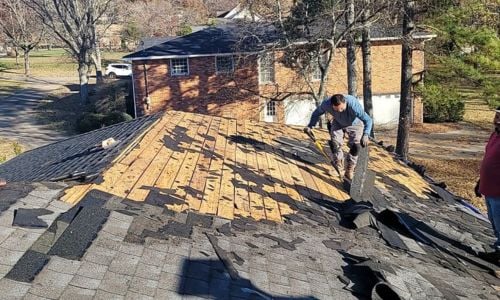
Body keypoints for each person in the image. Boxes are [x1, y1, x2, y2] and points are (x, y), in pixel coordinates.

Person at [304, 94, 373, 180]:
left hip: (355, 124)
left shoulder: (353, 105)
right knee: (335, 144)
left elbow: (368, 120)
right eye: (336, 109)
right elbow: (316, 113)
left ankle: (349, 170)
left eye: (342, 108)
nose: (340, 111)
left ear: (345, 103)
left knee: (356, 146)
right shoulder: (326, 104)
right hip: (338, 122)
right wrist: (310, 126)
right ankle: (339, 167)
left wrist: (366, 134)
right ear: (332, 105)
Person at [475, 106, 500, 267]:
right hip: (488, 189)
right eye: (496, 115)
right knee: (494, 222)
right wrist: (479, 183)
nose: (497, 119)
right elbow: (488, 161)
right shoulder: (494, 135)